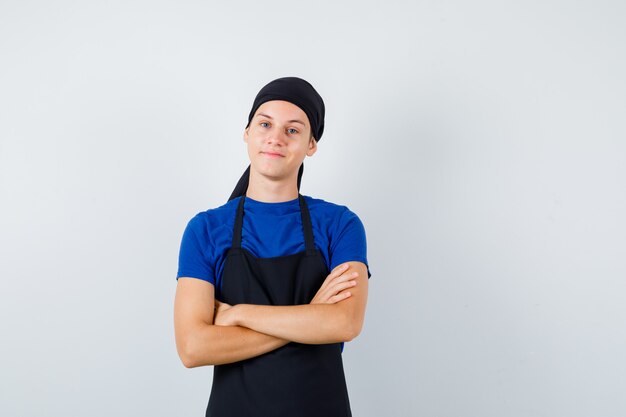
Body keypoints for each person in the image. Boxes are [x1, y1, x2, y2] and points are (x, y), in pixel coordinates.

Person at [173, 76, 371, 417]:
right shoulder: (205, 230)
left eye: (293, 130)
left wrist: (238, 314)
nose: (275, 138)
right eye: (265, 124)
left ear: (311, 144)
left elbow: (345, 324)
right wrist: (310, 316)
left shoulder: (340, 224)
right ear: (247, 133)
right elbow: (193, 348)